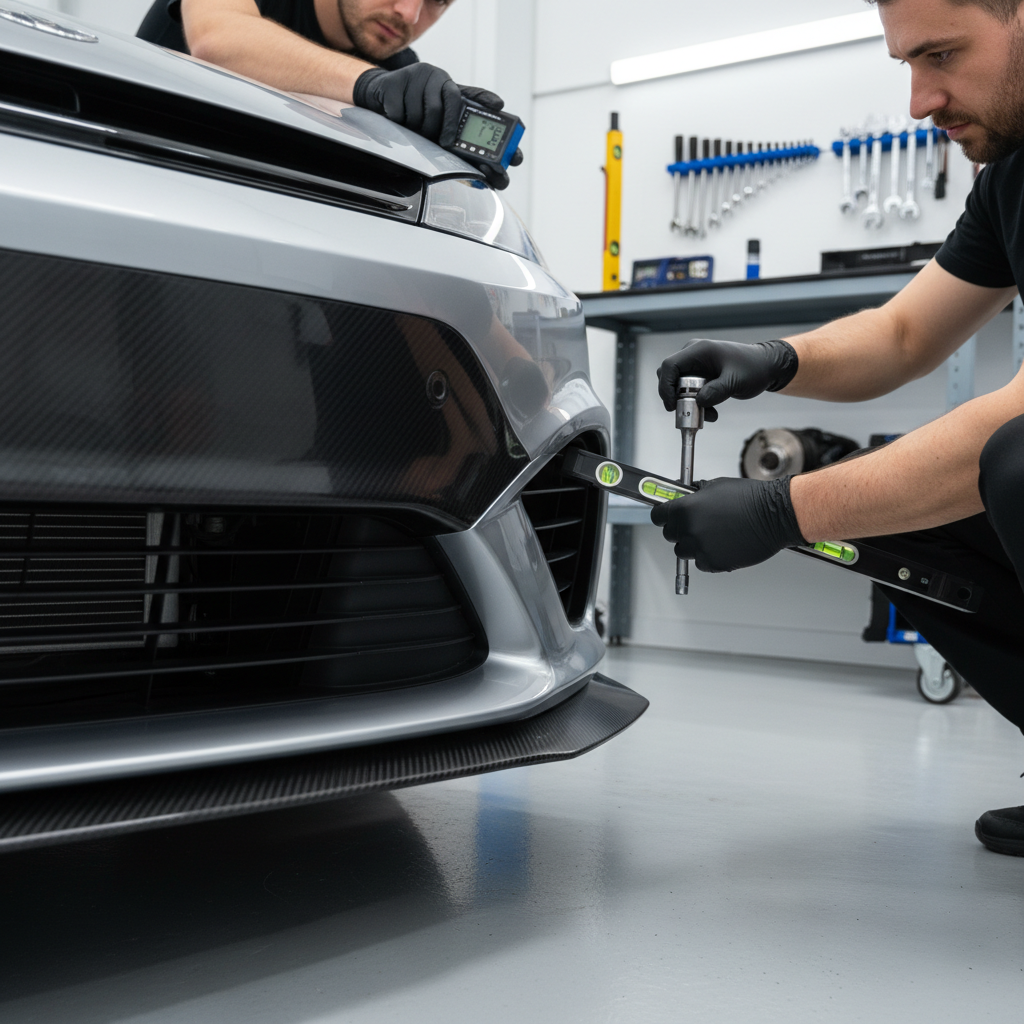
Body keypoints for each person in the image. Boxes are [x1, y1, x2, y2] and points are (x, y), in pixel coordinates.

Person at [652, 0, 1024, 857]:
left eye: (943, 55)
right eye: (908, 66)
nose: (920, 102)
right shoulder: (1010, 174)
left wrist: (784, 510)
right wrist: (776, 358)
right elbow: (904, 335)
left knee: (1018, 465)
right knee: (896, 525)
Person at [137, 0, 523, 188]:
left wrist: (445, 174)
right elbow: (217, 38)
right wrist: (369, 86)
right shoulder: (386, 77)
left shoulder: (399, 68)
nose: (409, 13)